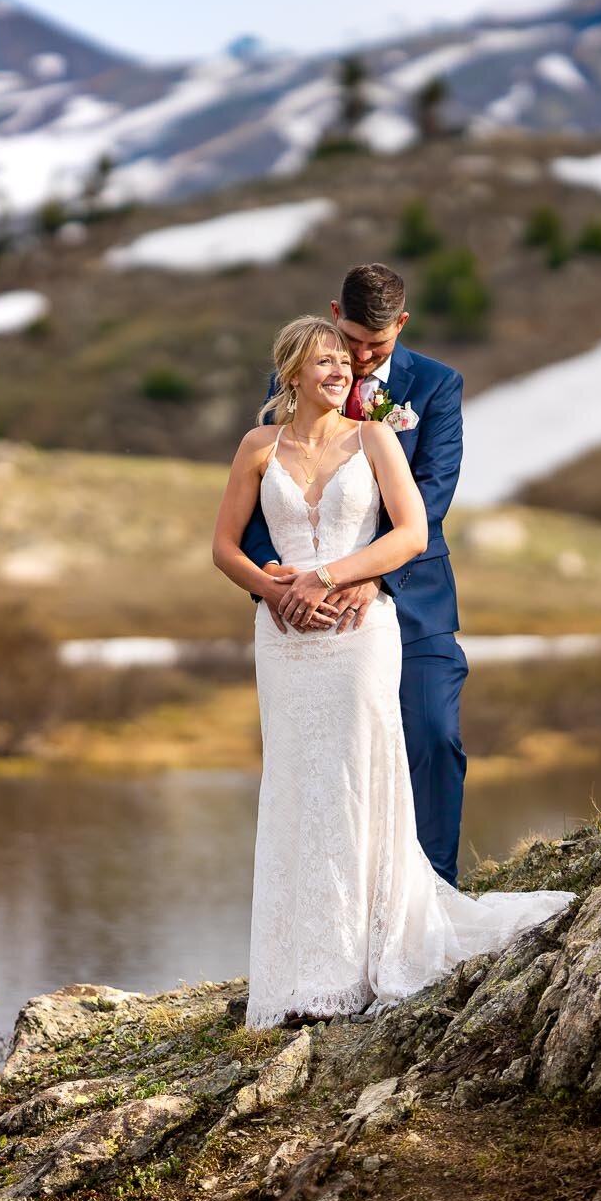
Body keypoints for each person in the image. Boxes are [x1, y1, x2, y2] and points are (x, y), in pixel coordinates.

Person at [211, 313, 572, 1030]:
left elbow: (410, 532)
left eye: (344, 362)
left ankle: (362, 955)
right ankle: (298, 971)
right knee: (297, 783)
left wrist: (335, 575)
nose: (340, 372)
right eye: (324, 363)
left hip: (357, 631)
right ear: (291, 373)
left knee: (356, 778)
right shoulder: (257, 447)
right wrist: (275, 586)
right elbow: (224, 547)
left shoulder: (375, 436)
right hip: (284, 640)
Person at [240, 263, 473, 884]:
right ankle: (344, 903)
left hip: (410, 596)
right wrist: (273, 579)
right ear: (333, 314)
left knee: (431, 736)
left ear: (402, 324)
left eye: (379, 345)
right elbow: (268, 496)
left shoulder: (438, 386)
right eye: (352, 342)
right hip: (307, 614)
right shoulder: (296, 378)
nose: (362, 359)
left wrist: (367, 576)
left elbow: (433, 494)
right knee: (327, 762)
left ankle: (432, 893)